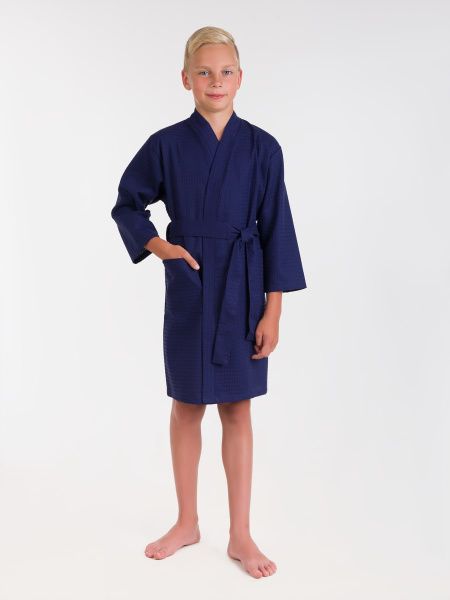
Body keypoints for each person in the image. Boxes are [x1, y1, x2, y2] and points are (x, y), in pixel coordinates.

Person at [111, 26, 307, 579]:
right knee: (187, 403)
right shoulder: (167, 145)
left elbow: (277, 229)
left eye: (225, 72)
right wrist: (162, 248)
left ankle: (240, 533)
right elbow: (127, 205)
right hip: (191, 284)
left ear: (240, 78)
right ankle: (186, 521)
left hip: (244, 286)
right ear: (186, 79)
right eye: (204, 72)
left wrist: (273, 309)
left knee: (238, 408)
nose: (215, 82)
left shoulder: (264, 148)